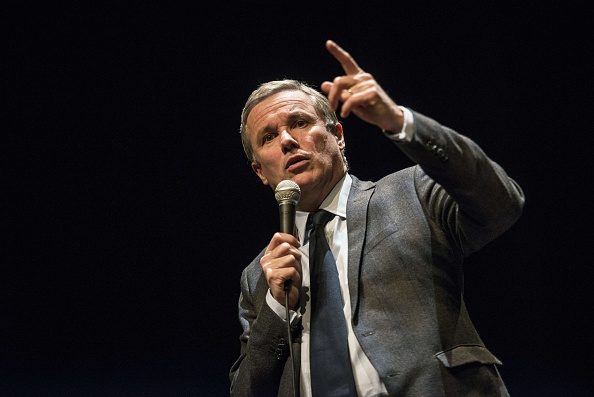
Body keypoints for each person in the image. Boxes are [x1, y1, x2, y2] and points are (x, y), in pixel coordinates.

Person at [229, 40, 524, 397]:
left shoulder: (411, 193)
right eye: (269, 137)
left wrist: (398, 120)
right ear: (260, 171)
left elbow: (501, 203)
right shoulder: (258, 276)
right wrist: (276, 307)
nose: (288, 140)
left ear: (338, 136)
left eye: (300, 122)